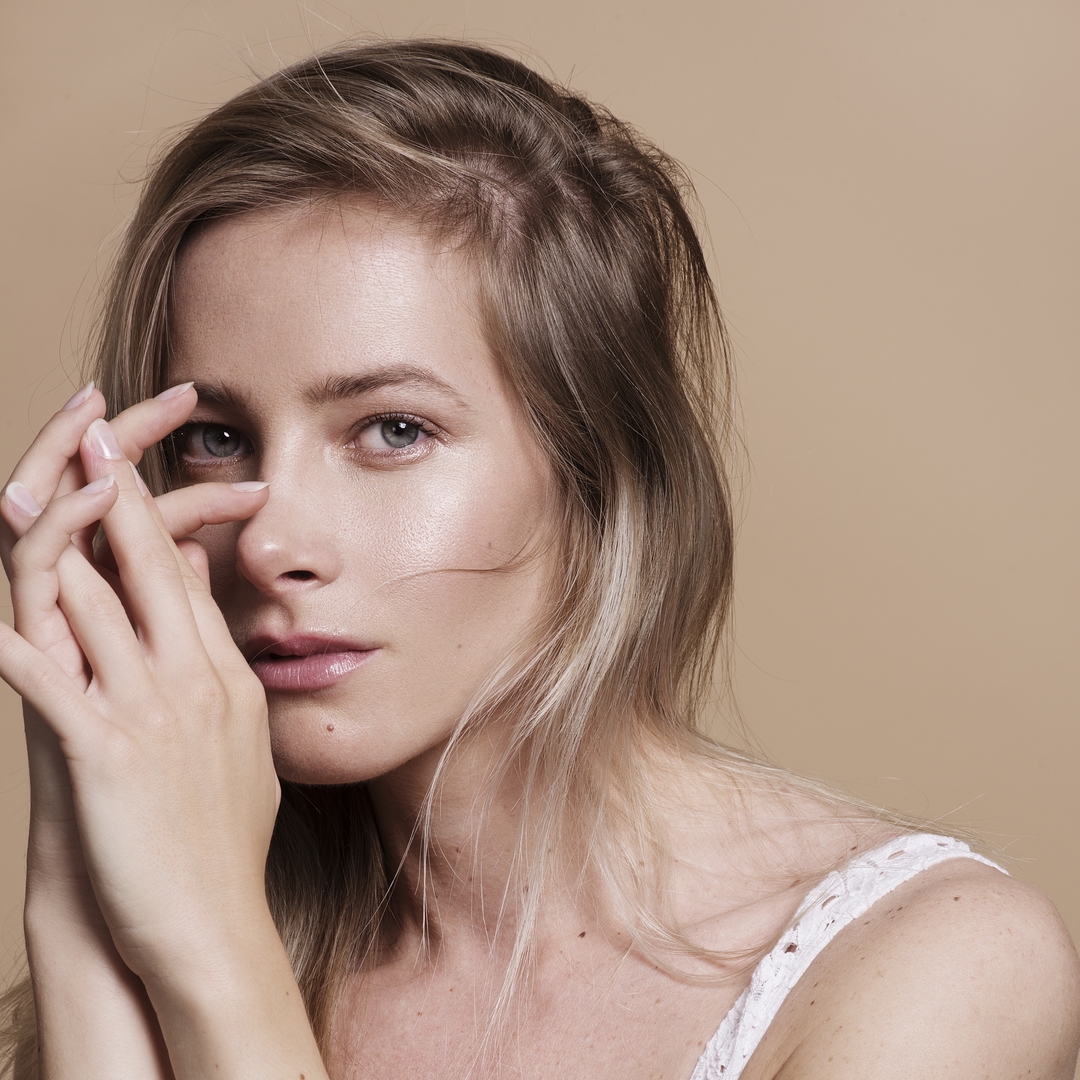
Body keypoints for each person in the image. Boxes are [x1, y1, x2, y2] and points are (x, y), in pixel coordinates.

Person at [0, 39, 1076, 1080]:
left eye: (393, 430)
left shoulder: (934, 968)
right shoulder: (200, 919)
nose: (270, 543)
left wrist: (214, 957)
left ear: (597, 467)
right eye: (216, 438)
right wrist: (76, 876)